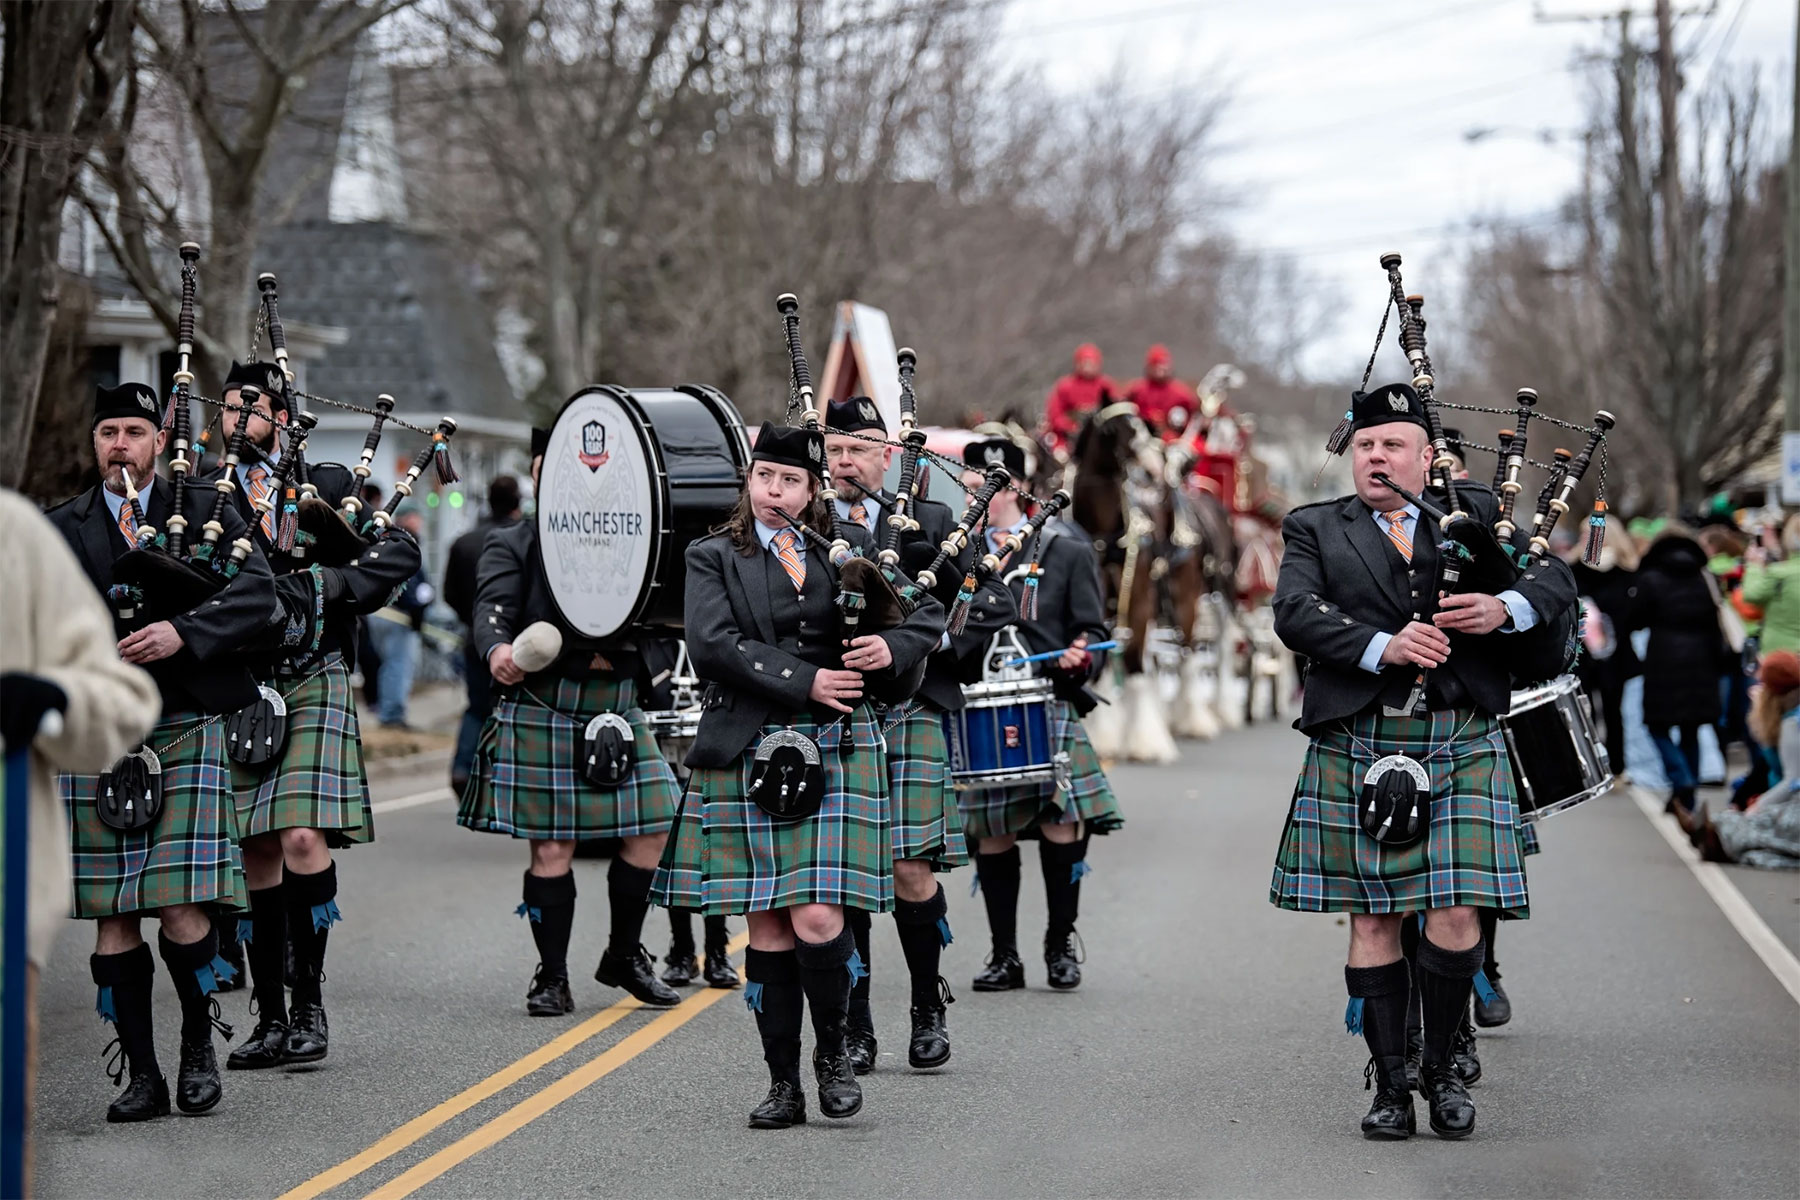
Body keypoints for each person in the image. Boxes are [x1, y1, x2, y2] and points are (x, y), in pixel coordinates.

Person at [1268, 382, 1576, 1141]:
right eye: (1366, 445)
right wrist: (1384, 646)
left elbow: (1555, 578)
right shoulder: (1315, 528)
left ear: (1424, 457)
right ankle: (1391, 1085)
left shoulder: (1471, 517)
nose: (1376, 456)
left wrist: (1507, 607)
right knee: (1373, 918)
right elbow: (1294, 612)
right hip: (1361, 737)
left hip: (1459, 735)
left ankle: (1442, 1068)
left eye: (1392, 445)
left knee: (1456, 911)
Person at [650, 422, 944, 1129]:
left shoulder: (845, 553)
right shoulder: (712, 554)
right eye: (763, 478)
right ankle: (783, 1082)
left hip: (834, 744)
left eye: (789, 482)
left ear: (813, 491)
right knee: (771, 930)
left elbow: (926, 613)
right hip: (748, 744)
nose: (773, 492)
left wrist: (888, 645)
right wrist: (808, 679)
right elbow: (714, 645)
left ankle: (834, 1054)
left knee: (817, 916)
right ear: (747, 483)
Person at [45, 382, 278, 1122]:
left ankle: (196, 1049)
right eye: (107, 431)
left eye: (134, 432)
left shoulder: (207, 510)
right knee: (113, 913)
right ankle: (140, 1074)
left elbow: (259, 596)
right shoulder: (62, 527)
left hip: (183, 722)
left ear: (158, 440)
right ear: (95, 443)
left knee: (179, 905)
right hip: (99, 732)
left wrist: (186, 632)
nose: (120, 444)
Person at [198, 362, 422, 1070]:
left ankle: (310, 1003)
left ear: (282, 417)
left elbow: (400, 552)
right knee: (256, 850)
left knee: (298, 837)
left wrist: (323, 586)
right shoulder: (204, 493)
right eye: (230, 406)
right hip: (241, 679)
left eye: (253, 406)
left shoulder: (323, 487)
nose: (238, 416)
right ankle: (268, 1016)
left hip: (311, 672)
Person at [457, 432, 685, 1016]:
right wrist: (496, 651)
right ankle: (551, 975)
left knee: (654, 830)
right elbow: (491, 610)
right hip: (546, 699)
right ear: (539, 473)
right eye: (549, 464)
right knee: (553, 848)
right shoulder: (514, 542)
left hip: (619, 699)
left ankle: (624, 953)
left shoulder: (638, 538)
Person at [823, 397, 1018, 1072]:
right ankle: (854, 1023)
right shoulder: (806, 522)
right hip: (836, 710)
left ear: (888, 455)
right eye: (836, 448)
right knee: (845, 877)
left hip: (912, 710)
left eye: (860, 448)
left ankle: (926, 1007)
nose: (846, 461)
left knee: (910, 867)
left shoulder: (932, 520)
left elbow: (990, 600)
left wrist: (926, 646)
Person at [2, 488, 160, 1187]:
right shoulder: (65, 520)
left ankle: (178, 1058)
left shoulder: (12, 535)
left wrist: (54, 699)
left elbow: (121, 697)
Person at [957, 436, 1123, 994]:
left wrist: (1082, 653)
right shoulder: (952, 552)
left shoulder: (1064, 548)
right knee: (994, 831)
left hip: (1048, 700)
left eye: (988, 477)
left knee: (1060, 822)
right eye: (970, 475)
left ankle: (1059, 946)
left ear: (1018, 486)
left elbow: (1094, 631)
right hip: (979, 703)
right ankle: (1006, 956)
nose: (975, 485)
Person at [1623, 526, 1730, 818]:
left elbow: (1633, 619)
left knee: (1657, 726)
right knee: (1691, 728)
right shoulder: (1703, 578)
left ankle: (1681, 778)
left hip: (1663, 659)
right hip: (1702, 661)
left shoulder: (1650, 579)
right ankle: (1688, 797)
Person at [1679, 650, 1800, 868]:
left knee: (1755, 821)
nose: (1755, 678)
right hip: (1786, 799)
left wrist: (1760, 805)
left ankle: (1714, 839)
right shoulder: (1786, 717)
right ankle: (1710, 834)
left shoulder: (1792, 724)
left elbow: (1793, 781)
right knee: (1740, 816)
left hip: (1793, 805)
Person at [445, 474, 524, 794]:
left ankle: (464, 768)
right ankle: (507, 775)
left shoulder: (464, 542)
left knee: (477, 707)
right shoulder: (522, 540)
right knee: (515, 709)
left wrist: (472, 619)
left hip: (474, 638)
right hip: (519, 640)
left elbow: (449, 593)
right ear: (517, 504)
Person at [368, 509, 432, 729]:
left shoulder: (383, 540)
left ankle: (387, 710)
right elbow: (408, 583)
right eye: (416, 520)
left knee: (388, 665)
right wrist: (417, 608)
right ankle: (392, 715)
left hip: (380, 613)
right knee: (398, 666)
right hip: (397, 617)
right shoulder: (403, 544)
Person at [1042, 344, 1115, 461]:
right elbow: (1055, 414)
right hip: (1067, 439)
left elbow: (1114, 412)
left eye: (1091, 363)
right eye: (1085, 363)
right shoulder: (1065, 386)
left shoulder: (1105, 385)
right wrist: (1071, 427)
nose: (1088, 367)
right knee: (1061, 459)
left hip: (1098, 438)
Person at [1123, 344, 1200, 437]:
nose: (1161, 370)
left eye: (1164, 365)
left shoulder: (1181, 392)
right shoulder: (1137, 389)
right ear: (1149, 367)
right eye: (1156, 365)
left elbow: (1194, 413)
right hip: (1141, 437)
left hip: (1173, 439)